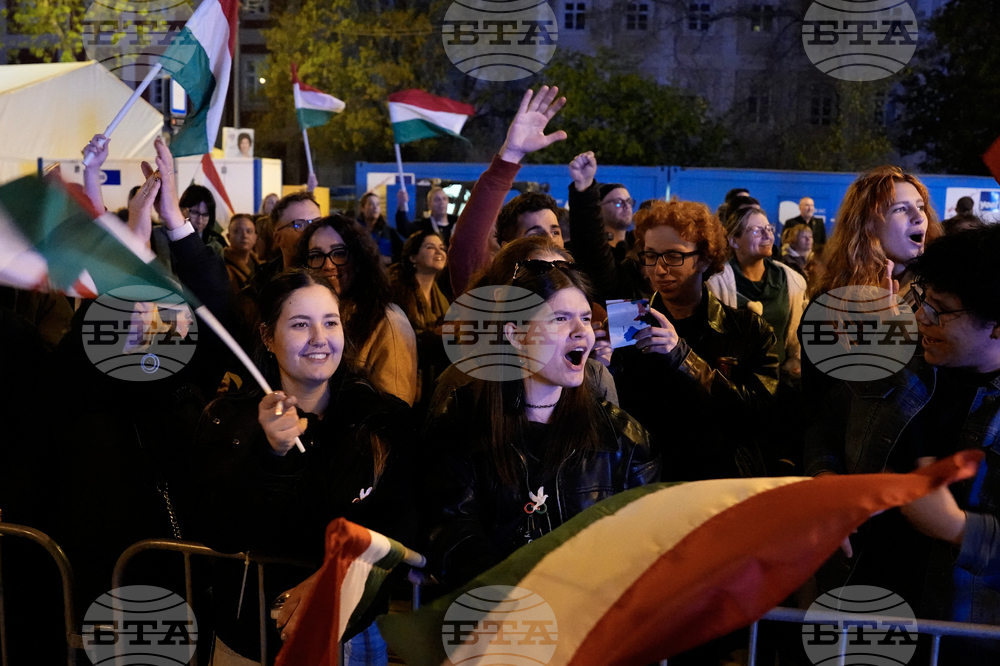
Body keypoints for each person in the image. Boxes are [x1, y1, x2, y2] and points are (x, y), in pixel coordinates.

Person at [194, 269, 413, 666]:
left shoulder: (382, 419)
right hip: (249, 642)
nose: (319, 338)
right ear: (266, 336)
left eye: (330, 322)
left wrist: (334, 582)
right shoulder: (229, 419)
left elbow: (402, 527)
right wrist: (269, 455)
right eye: (300, 324)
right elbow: (219, 531)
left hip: (350, 638)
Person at [804, 224, 1000, 661]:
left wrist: (958, 528)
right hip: (853, 609)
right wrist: (827, 479)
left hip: (956, 638)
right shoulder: (895, 356)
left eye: (942, 310)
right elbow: (827, 425)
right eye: (923, 299)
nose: (921, 317)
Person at [423, 260, 659, 588]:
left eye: (586, 319)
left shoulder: (624, 440)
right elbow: (452, 530)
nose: (581, 332)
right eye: (560, 318)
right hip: (494, 620)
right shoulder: (461, 423)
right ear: (515, 335)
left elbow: (640, 551)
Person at [611, 200, 779, 481]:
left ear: (704, 258)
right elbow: (613, 420)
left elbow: (759, 418)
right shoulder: (627, 321)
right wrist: (597, 371)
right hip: (644, 484)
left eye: (674, 256)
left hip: (720, 482)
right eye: (650, 256)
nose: (659, 269)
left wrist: (683, 358)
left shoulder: (748, 329)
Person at [448, 86, 567, 295]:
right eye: (535, 233)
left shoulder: (584, 302)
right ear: (507, 248)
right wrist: (511, 155)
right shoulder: (492, 296)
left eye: (555, 231)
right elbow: (466, 246)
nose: (550, 239)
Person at [298, 215, 418, 405]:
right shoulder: (303, 318)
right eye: (316, 256)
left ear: (359, 258)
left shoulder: (389, 322)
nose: (328, 265)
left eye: (339, 253)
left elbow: (394, 415)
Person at [708, 204, 806, 376]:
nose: (767, 235)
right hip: (736, 382)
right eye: (756, 231)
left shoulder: (792, 281)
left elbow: (796, 338)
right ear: (733, 240)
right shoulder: (716, 283)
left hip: (779, 382)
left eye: (769, 228)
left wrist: (794, 360)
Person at [388, 230, 451, 411]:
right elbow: (399, 339)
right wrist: (438, 335)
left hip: (431, 383)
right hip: (403, 378)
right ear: (413, 257)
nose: (439, 252)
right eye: (430, 247)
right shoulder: (397, 293)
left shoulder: (442, 298)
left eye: (442, 248)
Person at [179, 185, 227, 257]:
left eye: (205, 215)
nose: (200, 221)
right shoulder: (163, 237)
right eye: (195, 213)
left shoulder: (216, 246)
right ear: (182, 210)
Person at [358, 192, 405, 265]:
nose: (375, 207)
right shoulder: (355, 230)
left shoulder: (388, 231)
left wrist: (389, 260)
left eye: (377, 204)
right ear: (362, 208)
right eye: (371, 204)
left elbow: (404, 253)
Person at [224, 213, 260, 292]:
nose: (244, 235)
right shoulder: (221, 266)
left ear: (255, 237)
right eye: (237, 231)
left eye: (249, 231)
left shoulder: (259, 265)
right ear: (228, 237)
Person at [598, 181, 635, 250]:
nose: (626, 206)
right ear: (600, 208)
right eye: (618, 202)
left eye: (628, 201)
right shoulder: (593, 246)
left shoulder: (637, 244)